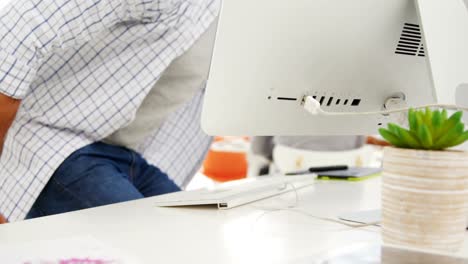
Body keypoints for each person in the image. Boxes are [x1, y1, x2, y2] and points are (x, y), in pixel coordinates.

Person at [0, 0, 221, 222]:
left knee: (196, 235)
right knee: (158, 243)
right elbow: (17, 28)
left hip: (124, 156)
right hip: (55, 140)